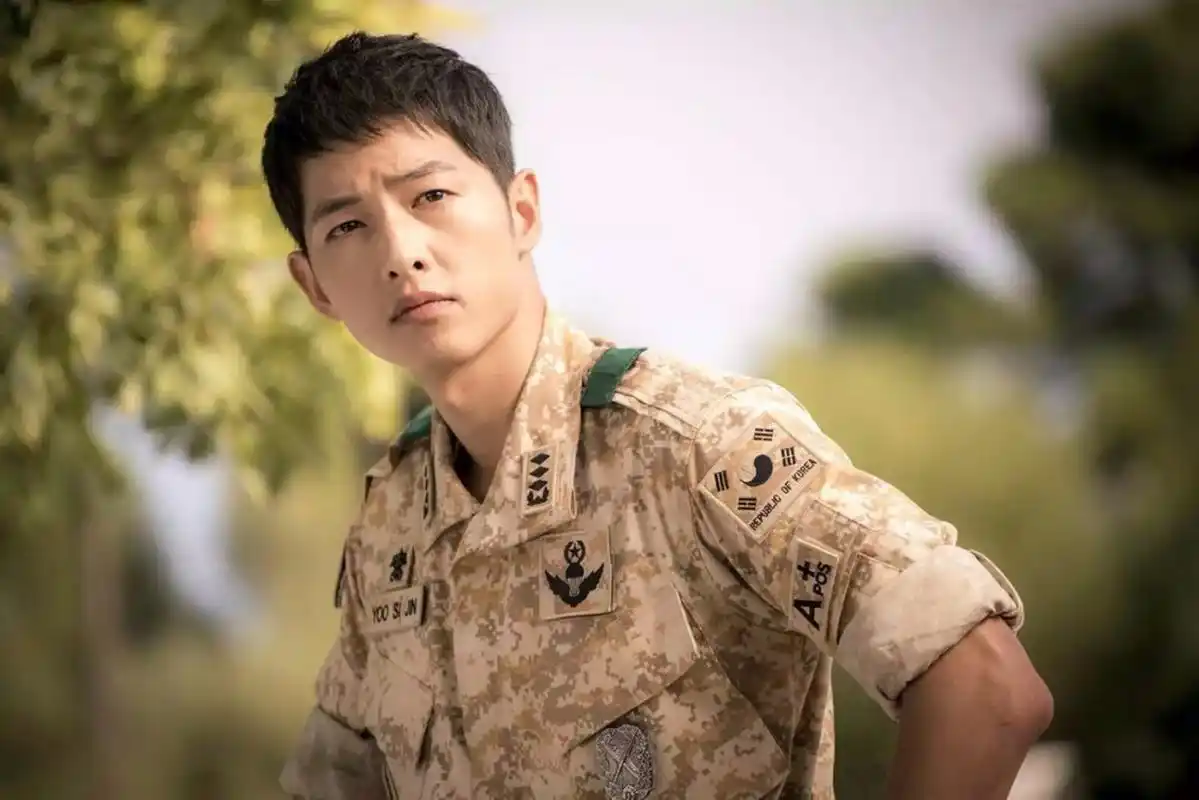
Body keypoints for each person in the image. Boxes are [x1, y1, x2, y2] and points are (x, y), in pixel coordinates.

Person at [261, 31, 1053, 800]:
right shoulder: (392, 526)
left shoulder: (695, 442)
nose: (400, 252)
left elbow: (984, 686)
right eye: (348, 226)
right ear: (314, 286)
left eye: (430, 196)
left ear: (521, 211)